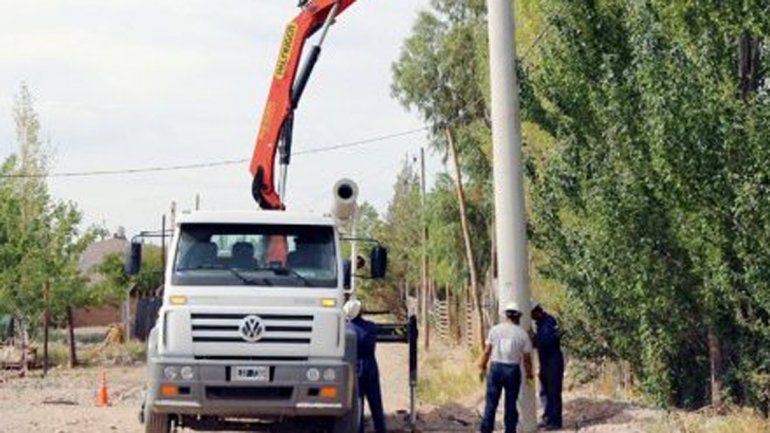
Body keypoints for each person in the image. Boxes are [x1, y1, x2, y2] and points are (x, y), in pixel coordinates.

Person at [478, 302, 534, 433]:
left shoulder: (495, 330)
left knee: (491, 402)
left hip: (496, 368)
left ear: (506, 316)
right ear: (519, 317)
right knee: (510, 404)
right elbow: (527, 359)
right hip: (512, 371)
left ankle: (486, 430)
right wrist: (529, 375)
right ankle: (510, 430)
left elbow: (487, 351)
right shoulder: (522, 334)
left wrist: (482, 366)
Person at [343, 299, 386, 433]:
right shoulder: (371, 327)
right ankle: (380, 429)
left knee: (358, 403)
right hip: (371, 366)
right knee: (376, 402)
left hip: (355, 367)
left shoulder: (345, 329)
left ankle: (359, 430)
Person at [532, 300, 564, 430]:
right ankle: (547, 417)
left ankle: (555, 421)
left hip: (553, 362)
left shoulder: (549, 322)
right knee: (544, 391)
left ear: (537, 312)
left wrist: (534, 339)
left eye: (532, 314)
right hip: (545, 362)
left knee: (553, 392)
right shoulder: (540, 323)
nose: (531, 318)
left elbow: (547, 340)